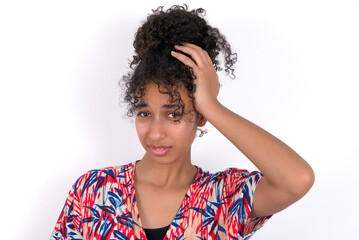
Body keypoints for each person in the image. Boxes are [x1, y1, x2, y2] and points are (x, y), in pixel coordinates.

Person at [50, 4, 315, 240]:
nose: (155, 133)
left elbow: (297, 180)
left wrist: (213, 106)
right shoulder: (93, 192)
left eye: (173, 114)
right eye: (144, 113)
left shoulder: (224, 198)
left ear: (200, 116)